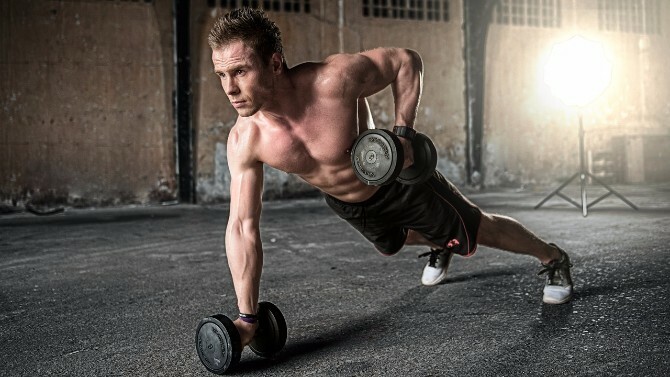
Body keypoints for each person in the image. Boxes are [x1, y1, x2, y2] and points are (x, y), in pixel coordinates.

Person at [208, 8, 574, 348]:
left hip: (395, 183)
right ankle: (437, 244)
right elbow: (242, 227)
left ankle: (552, 258)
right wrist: (246, 316)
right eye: (222, 75)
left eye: (240, 71)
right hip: (347, 204)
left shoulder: (333, 80)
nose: (229, 88)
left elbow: (405, 61)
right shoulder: (245, 140)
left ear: (274, 63)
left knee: (474, 228)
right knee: (392, 242)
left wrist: (404, 133)